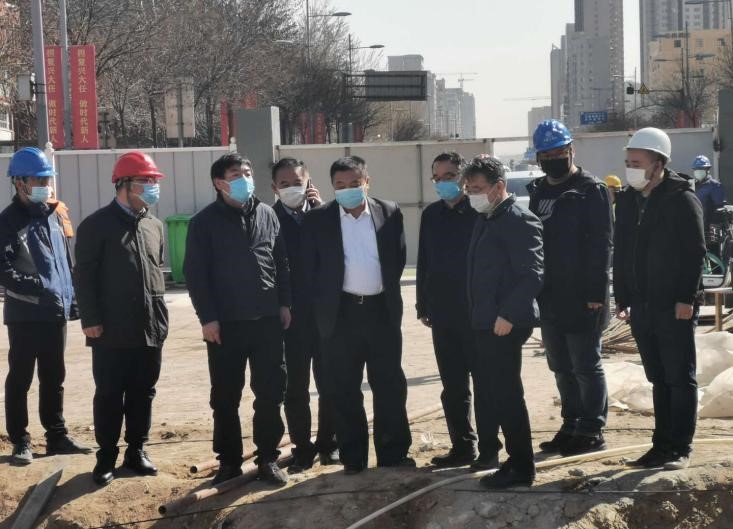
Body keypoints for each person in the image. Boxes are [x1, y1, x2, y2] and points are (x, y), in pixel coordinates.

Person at [183, 153, 291, 486]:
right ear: (220, 183)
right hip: (226, 325)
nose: (245, 179)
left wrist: (284, 304)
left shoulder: (267, 214)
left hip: (267, 320)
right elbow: (196, 275)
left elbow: (281, 262)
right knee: (226, 397)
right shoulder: (203, 222)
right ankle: (229, 461)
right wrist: (208, 318)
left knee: (270, 392)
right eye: (236, 175)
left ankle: (268, 458)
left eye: (247, 172)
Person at [301, 156, 412, 474]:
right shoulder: (318, 219)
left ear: (367, 182)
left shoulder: (389, 212)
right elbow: (310, 269)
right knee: (343, 388)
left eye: (354, 183)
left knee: (389, 384)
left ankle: (393, 453)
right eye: (340, 185)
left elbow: (397, 258)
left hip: (381, 312)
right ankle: (353, 456)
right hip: (341, 314)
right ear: (332, 186)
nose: (347, 189)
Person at [74, 151, 168, 486]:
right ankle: (106, 457)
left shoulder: (154, 225)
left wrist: (160, 320)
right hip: (110, 329)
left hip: (150, 326)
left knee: (144, 391)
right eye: (145, 180)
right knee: (110, 393)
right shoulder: (96, 225)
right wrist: (90, 319)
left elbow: (155, 271)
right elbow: (84, 277)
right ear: (123, 184)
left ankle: (136, 451)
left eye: (154, 180)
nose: (152, 186)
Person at [615, 128, 705, 470]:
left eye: (637, 163)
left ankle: (680, 447)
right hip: (642, 304)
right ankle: (661, 445)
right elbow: (621, 250)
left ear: (658, 164)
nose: (631, 169)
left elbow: (695, 252)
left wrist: (687, 298)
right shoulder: (628, 200)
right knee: (657, 377)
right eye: (628, 162)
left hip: (673, 304)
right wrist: (622, 295)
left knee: (679, 377)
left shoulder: (681, 199)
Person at [1, 147, 91, 465]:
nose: (45, 185)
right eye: (38, 180)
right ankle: (20, 440)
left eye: (47, 179)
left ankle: (56, 435)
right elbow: (3, 269)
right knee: (21, 377)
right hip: (26, 313)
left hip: (55, 311)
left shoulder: (55, 214)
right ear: (19, 183)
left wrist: (71, 299)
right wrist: (37, 287)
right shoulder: (8, 221)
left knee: (54, 375)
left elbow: (64, 261)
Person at [529, 120, 612, 456]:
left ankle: (592, 428)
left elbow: (601, 245)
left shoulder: (590, 190)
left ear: (571, 150)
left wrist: (595, 294)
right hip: (550, 295)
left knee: (585, 365)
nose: (554, 159)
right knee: (560, 365)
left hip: (582, 296)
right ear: (539, 157)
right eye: (547, 155)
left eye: (559, 152)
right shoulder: (538, 191)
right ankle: (571, 424)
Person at [416, 152, 500, 470]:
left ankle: (490, 449)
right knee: (453, 387)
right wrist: (423, 304)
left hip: (477, 313)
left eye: (449, 176)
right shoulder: (432, 215)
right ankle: (462, 446)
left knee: (485, 383)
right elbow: (424, 261)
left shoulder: (480, 212)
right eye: (437, 178)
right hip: (443, 313)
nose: (443, 183)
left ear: (463, 178)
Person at [464, 155, 543, 489]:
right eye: (469, 189)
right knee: (496, 392)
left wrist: (508, 314)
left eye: (477, 188)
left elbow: (532, 275)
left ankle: (521, 465)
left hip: (504, 323)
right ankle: (513, 460)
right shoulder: (487, 217)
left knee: (508, 394)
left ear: (498, 187)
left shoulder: (518, 220)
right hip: (486, 320)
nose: (472, 195)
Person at [271, 157, 339, 473]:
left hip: (325, 315)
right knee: (295, 388)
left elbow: (338, 253)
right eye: (284, 184)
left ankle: (329, 444)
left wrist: (323, 209)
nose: (291, 188)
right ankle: (302, 448)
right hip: (290, 318)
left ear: (309, 183)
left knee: (330, 383)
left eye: (297, 183)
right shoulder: (269, 218)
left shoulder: (326, 215)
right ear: (274, 188)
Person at [691, 155, 725, 231]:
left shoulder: (715, 186)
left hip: (708, 229)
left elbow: (719, 208)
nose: (698, 171)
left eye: (701, 169)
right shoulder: (692, 185)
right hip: (694, 226)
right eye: (696, 169)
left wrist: (714, 224)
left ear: (707, 170)